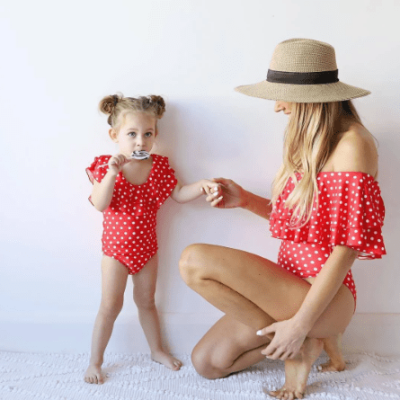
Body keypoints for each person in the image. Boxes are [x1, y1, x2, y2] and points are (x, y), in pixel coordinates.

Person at [179, 39, 386, 399]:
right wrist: (243, 199)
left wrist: (300, 323)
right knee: (208, 362)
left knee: (194, 260)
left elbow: (347, 248)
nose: (277, 107)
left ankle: (303, 337)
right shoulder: (308, 139)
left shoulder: (354, 144)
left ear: (309, 96)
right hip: (285, 285)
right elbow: (300, 223)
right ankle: (304, 343)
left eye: (281, 95)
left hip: (323, 297)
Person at [84, 93, 218, 384]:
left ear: (155, 135)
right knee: (110, 306)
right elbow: (99, 203)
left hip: (147, 250)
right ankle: (95, 361)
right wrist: (111, 173)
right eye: (131, 134)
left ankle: (157, 349)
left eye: (147, 134)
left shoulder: (158, 168)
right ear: (115, 135)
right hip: (115, 253)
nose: (140, 142)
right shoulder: (105, 166)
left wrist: (203, 185)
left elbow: (180, 194)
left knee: (146, 301)